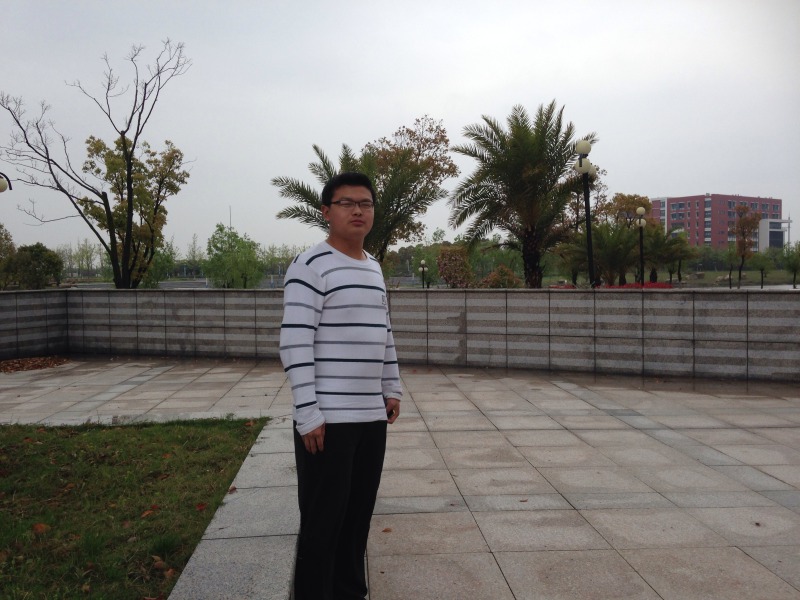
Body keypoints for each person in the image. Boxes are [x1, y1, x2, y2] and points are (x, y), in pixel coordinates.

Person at [279, 171, 402, 600]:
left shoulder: (373, 267)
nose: (357, 211)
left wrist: (392, 386)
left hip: (370, 417)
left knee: (357, 516)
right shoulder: (310, 266)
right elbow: (294, 341)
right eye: (347, 203)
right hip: (328, 422)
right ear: (326, 212)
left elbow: (384, 332)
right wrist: (308, 412)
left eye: (365, 203)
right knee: (323, 521)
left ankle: (350, 592)